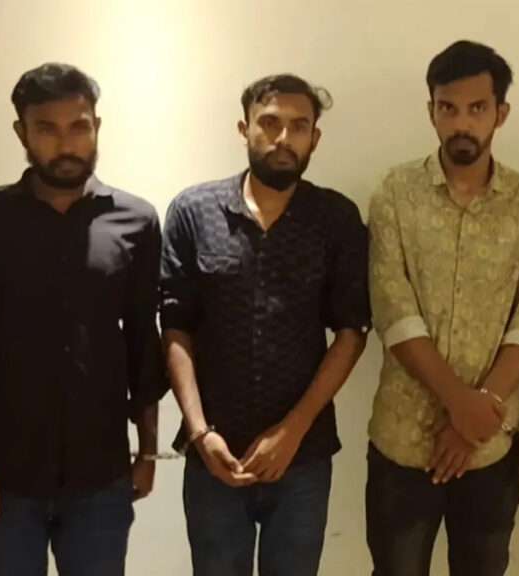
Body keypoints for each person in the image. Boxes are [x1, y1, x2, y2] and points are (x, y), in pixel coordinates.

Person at [0, 62, 166, 575]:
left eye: (79, 126)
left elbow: (144, 340)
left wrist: (147, 452)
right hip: (4, 474)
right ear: (21, 132)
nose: (66, 144)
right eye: (47, 129)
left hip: (100, 474)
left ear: (97, 126)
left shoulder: (136, 220)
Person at [160, 74, 371, 576]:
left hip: (302, 457)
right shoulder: (194, 211)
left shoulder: (335, 218)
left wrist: (292, 431)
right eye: (270, 123)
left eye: (298, 126)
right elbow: (175, 327)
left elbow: (351, 331)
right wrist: (199, 432)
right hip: (214, 453)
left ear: (314, 137)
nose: (283, 137)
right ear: (244, 129)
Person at [365, 40, 519, 576]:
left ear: (501, 113)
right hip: (404, 441)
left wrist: (478, 413)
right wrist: (461, 405)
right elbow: (393, 311)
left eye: (477, 108)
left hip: (488, 448)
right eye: (448, 108)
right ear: (431, 112)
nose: (461, 123)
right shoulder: (395, 192)